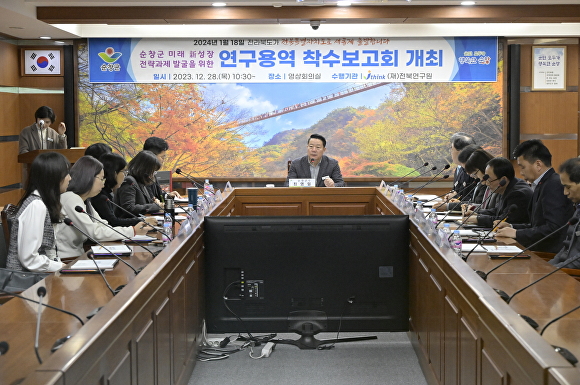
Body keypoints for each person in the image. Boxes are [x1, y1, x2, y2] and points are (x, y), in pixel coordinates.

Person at [55, 156, 151, 258]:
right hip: (66, 260)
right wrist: (132, 230)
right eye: (101, 179)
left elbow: (103, 225)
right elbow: (94, 233)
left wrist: (130, 230)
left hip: (79, 255)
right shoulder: (71, 198)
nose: (103, 183)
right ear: (88, 177)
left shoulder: (85, 201)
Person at [496, 140, 573, 253]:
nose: (521, 173)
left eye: (522, 167)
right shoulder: (542, 183)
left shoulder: (553, 184)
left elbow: (553, 228)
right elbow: (536, 225)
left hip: (548, 254)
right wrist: (512, 226)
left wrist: (517, 233)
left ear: (538, 164)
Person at [6, 152, 70, 272]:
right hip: (27, 283)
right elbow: (29, 259)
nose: (70, 178)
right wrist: (60, 267)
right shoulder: (36, 205)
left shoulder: (42, 202)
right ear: (54, 177)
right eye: (66, 174)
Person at [91, 153, 158, 227]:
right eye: (123, 172)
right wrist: (143, 220)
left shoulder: (108, 193)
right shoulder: (101, 196)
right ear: (114, 173)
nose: (125, 175)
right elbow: (114, 222)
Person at [464, 157, 532, 228]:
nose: (487, 184)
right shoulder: (506, 186)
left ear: (503, 179)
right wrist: (476, 213)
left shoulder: (518, 194)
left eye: (489, 180)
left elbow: (503, 220)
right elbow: (497, 211)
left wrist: (478, 219)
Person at [549, 158, 580, 269]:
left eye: (568, 187)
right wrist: (547, 267)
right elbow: (567, 248)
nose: (565, 192)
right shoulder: (578, 209)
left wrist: (554, 270)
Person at [434, 132, 476, 210]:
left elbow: (476, 201)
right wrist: (451, 196)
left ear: (462, 152)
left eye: (452, 149)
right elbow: (458, 191)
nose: (451, 152)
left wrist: (454, 199)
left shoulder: (475, 170)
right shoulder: (459, 168)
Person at [116, 150, 163, 218]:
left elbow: (143, 203)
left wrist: (154, 202)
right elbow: (129, 208)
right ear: (144, 169)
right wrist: (155, 206)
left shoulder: (140, 181)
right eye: (152, 171)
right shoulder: (129, 181)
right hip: (131, 224)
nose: (153, 175)